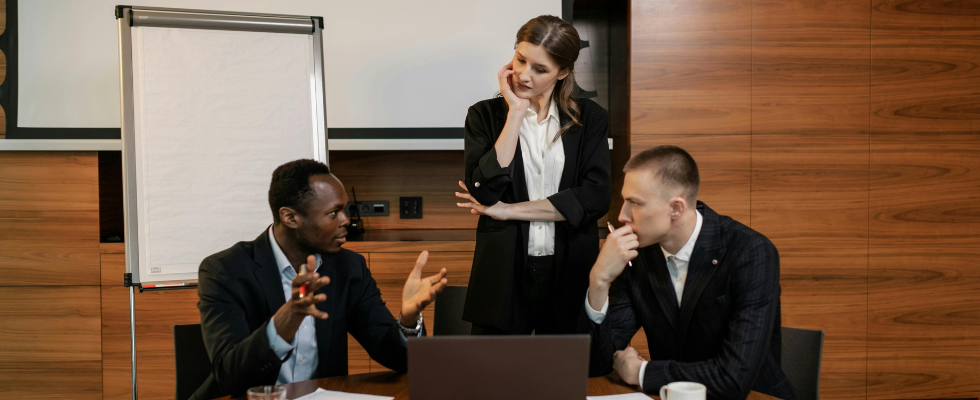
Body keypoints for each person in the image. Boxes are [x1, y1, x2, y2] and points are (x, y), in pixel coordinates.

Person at [192, 159, 448, 399]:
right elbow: (230, 377)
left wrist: (407, 319)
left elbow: (395, 357)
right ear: (290, 217)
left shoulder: (349, 267)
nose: (346, 220)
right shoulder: (224, 270)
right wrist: (288, 318)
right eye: (333, 212)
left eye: (344, 209)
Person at [583, 146, 796, 400]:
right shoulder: (639, 255)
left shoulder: (751, 252)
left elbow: (733, 378)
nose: (622, 216)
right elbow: (598, 364)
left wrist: (642, 372)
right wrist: (599, 282)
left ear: (676, 208)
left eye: (635, 203)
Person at [454, 15, 611, 335]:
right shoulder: (483, 115)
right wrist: (515, 113)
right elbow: (483, 192)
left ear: (563, 72)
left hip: (570, 270)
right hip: (504, 273)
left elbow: (595, 198)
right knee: (495, 378)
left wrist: (509, 211)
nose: (524, 75)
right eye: (520, 60)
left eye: (540, 69)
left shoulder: (591, 118)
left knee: (565, 378)